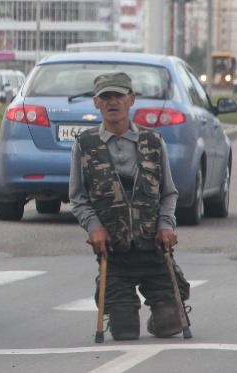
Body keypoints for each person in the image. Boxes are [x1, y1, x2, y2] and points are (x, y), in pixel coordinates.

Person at [69, 72, 191, 340]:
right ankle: (121, 312)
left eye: (119, 96)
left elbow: (169, 193)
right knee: (125, 332)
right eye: (106, 97)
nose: (113, 102)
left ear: (131, 99)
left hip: (153, 251)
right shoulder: (85, 145)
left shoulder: (153, 141)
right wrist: (94, 227)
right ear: (96, 103)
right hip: (114, 255)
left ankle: (162, 315)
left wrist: (165, 226)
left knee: (170, 325)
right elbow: (78, 197)